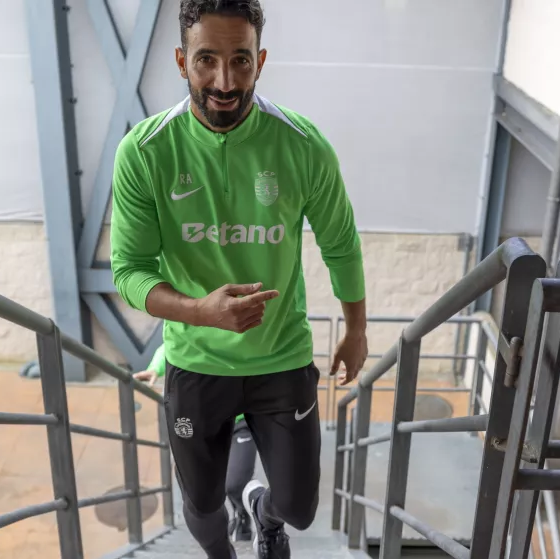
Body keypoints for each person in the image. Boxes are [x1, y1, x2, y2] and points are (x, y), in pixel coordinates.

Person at [110, 1, 369, 557]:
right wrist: (201, 312)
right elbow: (129, 272)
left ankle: (263, 514)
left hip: (281, 356)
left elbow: (340, 242)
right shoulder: (145, 152)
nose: (224, 81)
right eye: (207, 60)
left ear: (261, 60)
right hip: (197, 362)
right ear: (182, 62)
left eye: (241, 61)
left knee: (299, 508)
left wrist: (356, 328)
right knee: (202, 508)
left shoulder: (302, 144)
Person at [134, 343, 257, 542]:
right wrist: (155, 367)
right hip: (204, 422)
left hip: (241, 420)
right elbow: (174, 342)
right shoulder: (203, 326)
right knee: (201, 488)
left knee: (234, 483)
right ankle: (220, 535)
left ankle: (242, 515)